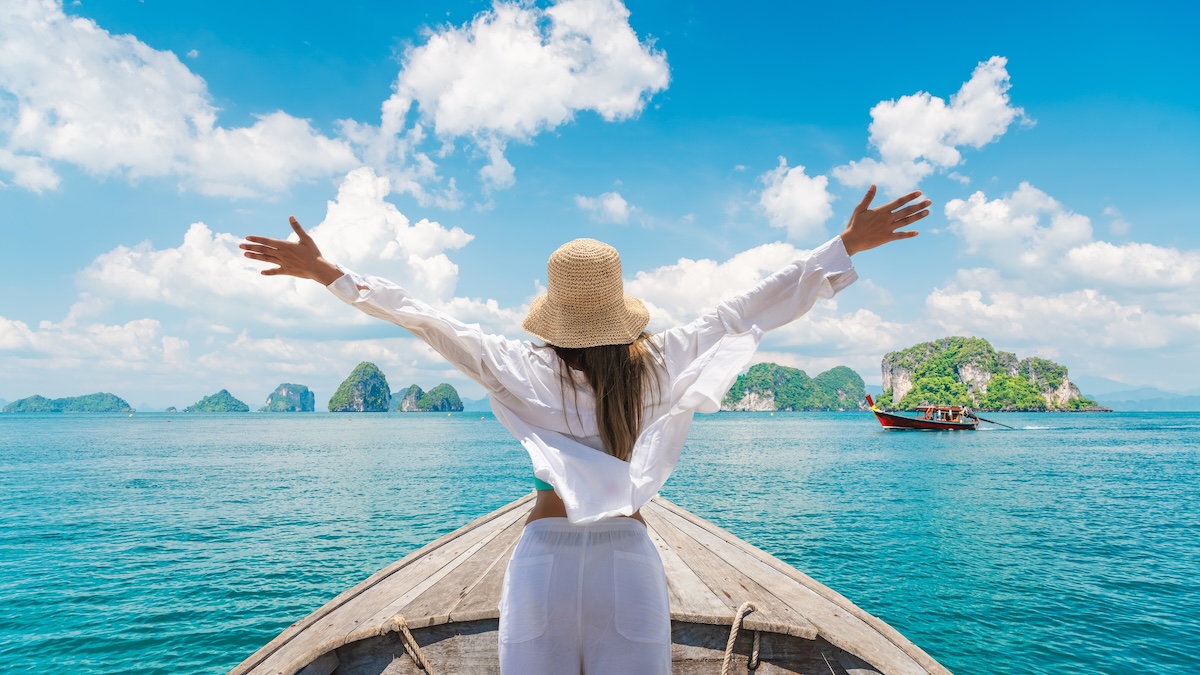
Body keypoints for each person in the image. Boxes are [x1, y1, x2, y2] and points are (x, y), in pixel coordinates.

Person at [241, 184, 929, 674]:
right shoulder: (657, 362)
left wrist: (329, 272)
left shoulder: (518, 365)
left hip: (543, 559)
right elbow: (752, 307)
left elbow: (422, 317)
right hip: (628, 561)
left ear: (555, 309)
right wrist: (843, 245)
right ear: (618, 303)